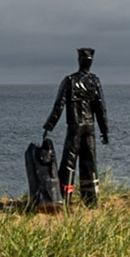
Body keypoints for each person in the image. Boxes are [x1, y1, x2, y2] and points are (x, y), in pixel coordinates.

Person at [43, 47, 109, 206]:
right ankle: (90, 200)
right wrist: (104, 130)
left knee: (69, 162)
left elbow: (58, 106)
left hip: (75, 126)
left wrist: (49, 126)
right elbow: (100, 108)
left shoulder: (70, 80)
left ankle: (65, 198)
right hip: (89, 126)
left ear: (79, 60)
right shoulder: (94, 81)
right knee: (89, 161)